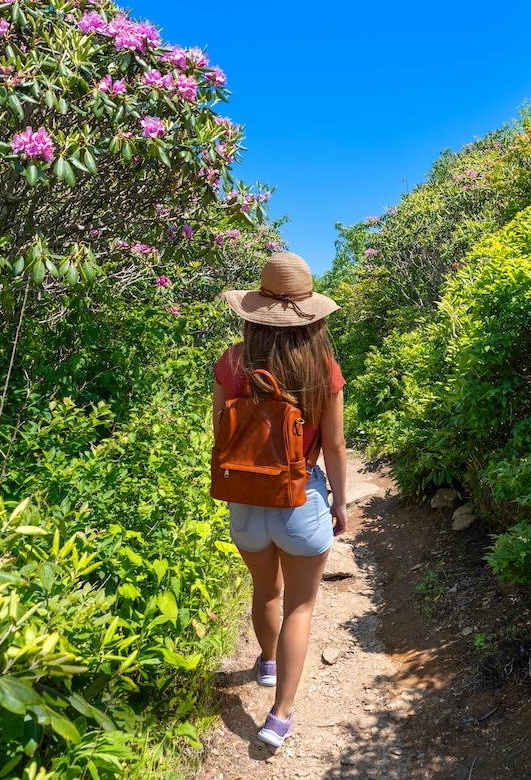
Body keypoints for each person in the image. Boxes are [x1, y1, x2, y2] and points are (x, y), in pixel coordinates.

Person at [214, 252, 347, 750]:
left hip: (246, 504)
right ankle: (280, 716)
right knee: (300, 606)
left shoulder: (231, 362)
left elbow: (221, 438)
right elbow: (333, 447)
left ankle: (265, 663)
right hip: (301, 502)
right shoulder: (322, 367)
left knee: (264, 590)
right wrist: (340, 504)